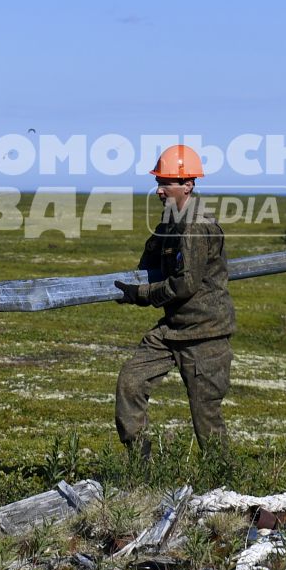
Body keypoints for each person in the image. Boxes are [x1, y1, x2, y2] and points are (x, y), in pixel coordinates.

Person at [112, 145, 236, 458]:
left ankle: (223, 489)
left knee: (207, 420)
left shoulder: (196, 226)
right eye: (158, 182)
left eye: (166, 183)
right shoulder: (172, 222)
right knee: (131, 381)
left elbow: (184, 285)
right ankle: (142, 464)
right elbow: (149, 261)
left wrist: (139, 294)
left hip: (206, 334)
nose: (159, 190)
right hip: (172, 330)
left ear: (188, 185)